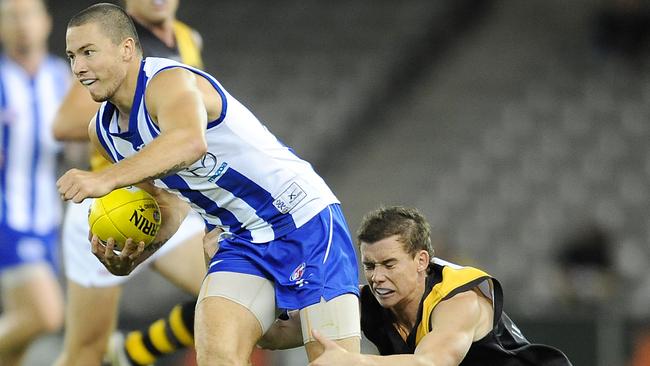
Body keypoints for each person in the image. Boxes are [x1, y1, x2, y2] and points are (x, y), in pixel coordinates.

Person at [57, 3, 361, 366]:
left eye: (89, 52)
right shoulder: (103, 132)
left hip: (304, 220)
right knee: (216, 355)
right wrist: (133, 257)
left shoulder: (169, 82)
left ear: (126, 49)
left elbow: (190, 141)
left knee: (334, 360)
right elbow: (170, 203)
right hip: (237, 240)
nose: (79, 68)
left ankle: (365, 308)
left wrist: (104, 178)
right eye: (72, 56)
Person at [51, 1, 208, 366]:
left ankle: (134, 352)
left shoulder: (187, 39)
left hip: (167, 200)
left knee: (234, 294)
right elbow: (64, 123)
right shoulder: (112, 47)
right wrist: (140, 122)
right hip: (108, 203)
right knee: (84, 353)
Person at [263, 206, 573, 366]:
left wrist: (354, 361)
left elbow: (432, 362)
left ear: (421, 260)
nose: (376, 277)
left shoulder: (460, 299)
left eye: (389, 264)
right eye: (370, 266)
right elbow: (278, 335)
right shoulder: (364, 301)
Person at [0, 0, 68, 364]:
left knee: (18, 339)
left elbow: (79, 147)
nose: (22, 24)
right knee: (46, 314)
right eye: (11, 17)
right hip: (6, 217)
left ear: (45, 22)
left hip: (46, 221)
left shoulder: (63, 78)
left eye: (28, 15)